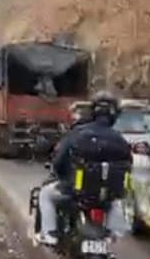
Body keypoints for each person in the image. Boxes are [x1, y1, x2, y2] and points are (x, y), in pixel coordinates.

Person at [37, 91, 132, 245]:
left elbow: (59, 161)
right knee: (115, 202)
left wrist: (61, 175)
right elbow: (128, 166)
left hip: (75, 192)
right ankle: (114, 234)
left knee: (45, 194)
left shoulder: (78, 133)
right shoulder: (120, 140)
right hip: (107, 195)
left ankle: (49, 234)